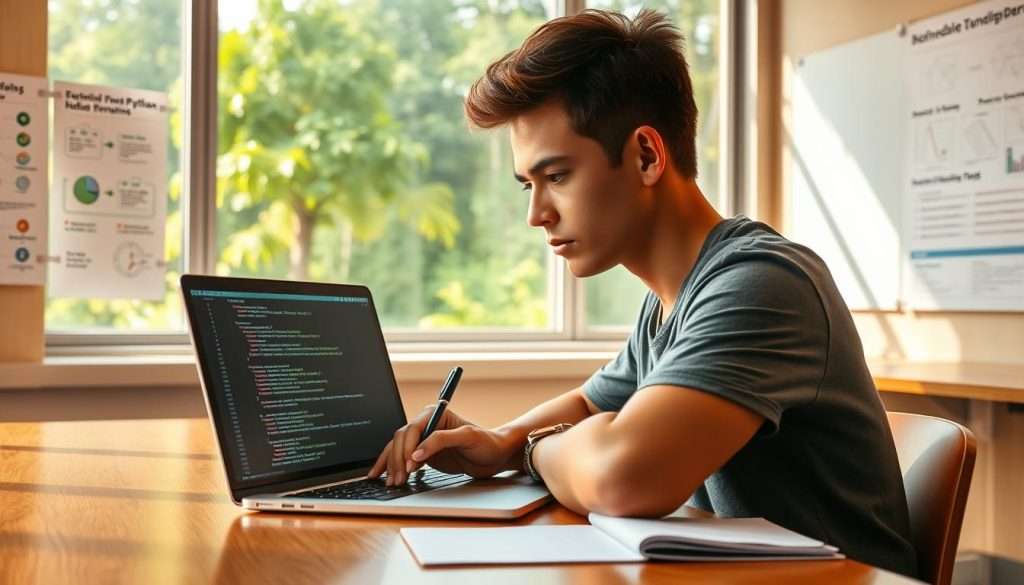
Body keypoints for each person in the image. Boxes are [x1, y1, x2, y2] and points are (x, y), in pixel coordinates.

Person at [368, 8, 917, 578]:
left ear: (647, 156)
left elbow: (621, 477)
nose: (536, 214)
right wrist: (500, 441)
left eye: (556, 177)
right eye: (528, 184)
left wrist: (531, 451)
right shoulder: (669, 301)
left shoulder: (761, 284)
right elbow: (591, 405)